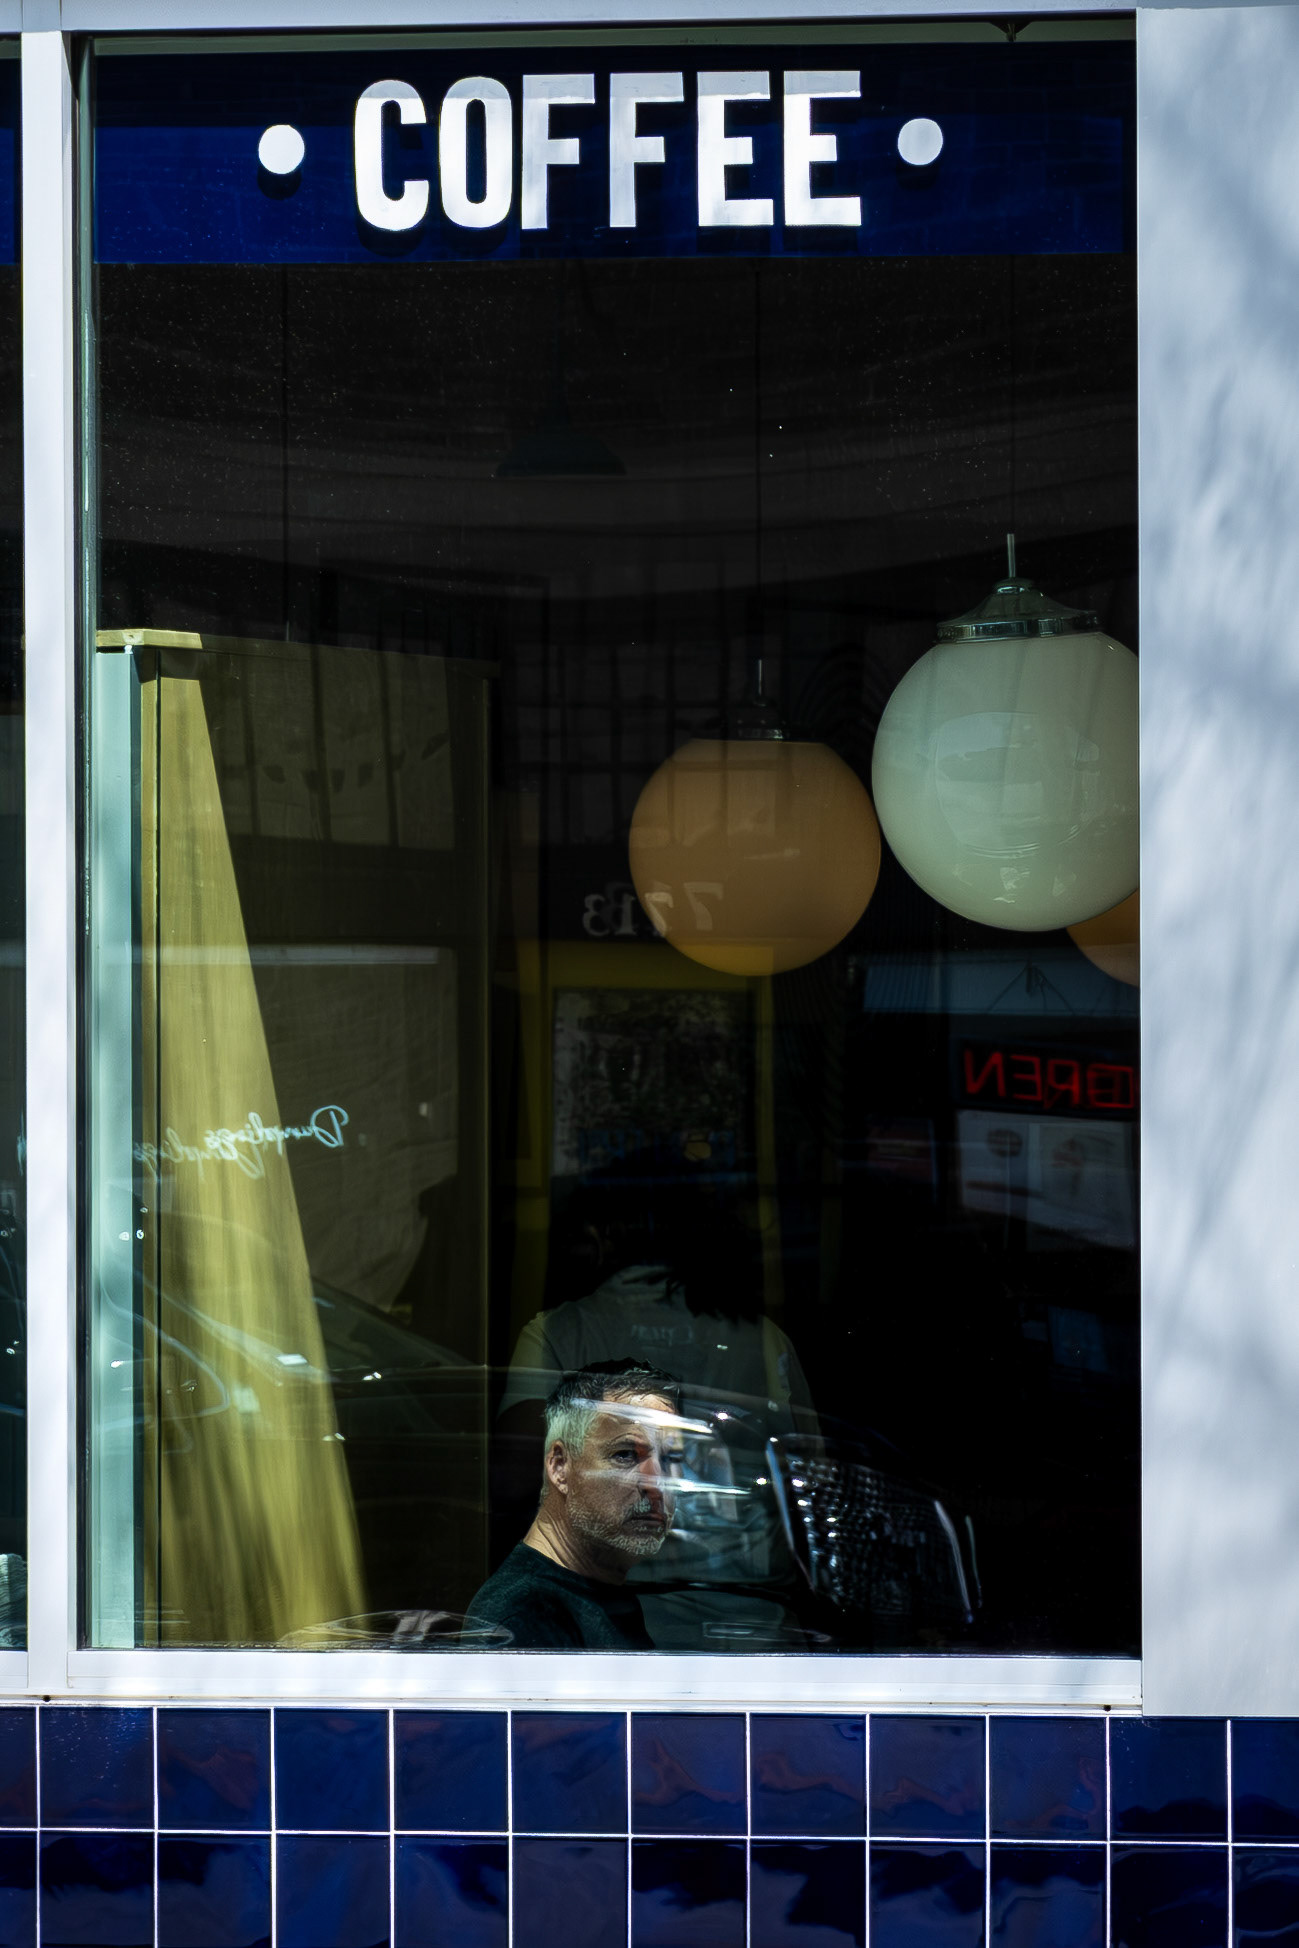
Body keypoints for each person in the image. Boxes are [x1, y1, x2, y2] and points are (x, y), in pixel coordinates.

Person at [470, 1359, 683, 1649]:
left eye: (670, 1458)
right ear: (560, 1467)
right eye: (625, 1455)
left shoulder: (595, 1587)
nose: (656, 1485)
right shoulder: (524, 1618)